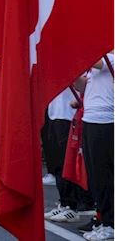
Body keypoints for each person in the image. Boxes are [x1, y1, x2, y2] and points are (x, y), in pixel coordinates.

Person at [74, 55, 114, 240]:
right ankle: (105, 220)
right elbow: (83, 86)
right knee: (95, 176)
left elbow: (90, 57)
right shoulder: (96, 64)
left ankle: (111, 224)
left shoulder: (110, 58)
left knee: (104, 175)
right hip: (90, 119)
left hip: (106, 122)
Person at [42, 87, 95, 224]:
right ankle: (64, 202)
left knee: (67, 162)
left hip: (68, 115)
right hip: (55, 113)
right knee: (57, 162)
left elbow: (81, 85)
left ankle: (73, 205)